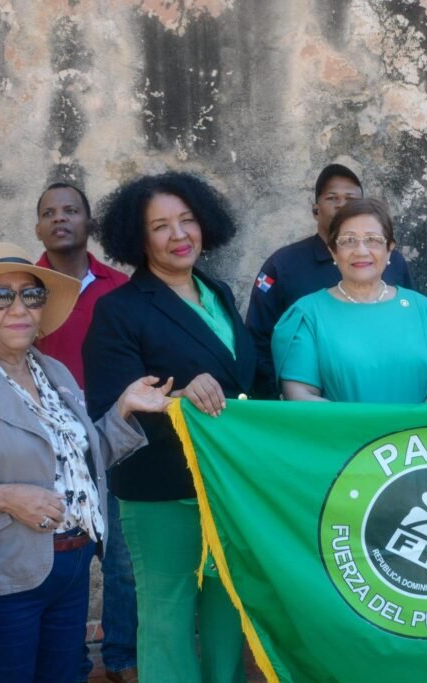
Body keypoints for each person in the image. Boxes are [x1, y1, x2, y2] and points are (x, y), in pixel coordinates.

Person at [0, 242, 173, 683]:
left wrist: (124, 410)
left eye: (30, 295)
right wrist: (1, 498)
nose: (19, 308)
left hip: (71, 567)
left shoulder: (53, 372)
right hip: (0, 581)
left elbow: (79, 466)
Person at [82, 172, 254, 683]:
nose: (179, 235)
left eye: (187, 220)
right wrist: (181, 395)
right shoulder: (118, 309)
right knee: (167, 616)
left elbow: (242, 381)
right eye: (161, 226)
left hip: (225, 486)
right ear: (138, 239)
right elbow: (112, 404)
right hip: (161, 490)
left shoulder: (218, 291)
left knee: (227, 609)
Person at [32, 181, 138, 683]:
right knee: (62, 563)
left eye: (71, 210)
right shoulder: (25, 290)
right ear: (38, 227)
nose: (60, 219)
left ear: (88, 222)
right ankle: (66, 662)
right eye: (49, 212)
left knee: (120, 560)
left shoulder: (119, 288)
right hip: (47, 447)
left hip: (113, 436)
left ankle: (119, 657)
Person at [247, 163, 414, 397]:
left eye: (351, 198)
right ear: (316, 209)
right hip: (308, 406)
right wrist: (276, 400)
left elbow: (409, 325)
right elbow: (259, 337)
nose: (342, 205)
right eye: (332, 198)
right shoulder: (283, 264)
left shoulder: (391, 260)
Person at [272, 197, 427, 403]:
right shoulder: (307, 316)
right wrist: (368, 432)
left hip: (416, 434)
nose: (361, 251)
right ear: (333, 250)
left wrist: (405, 430)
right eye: (348, 240)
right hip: (341, 434)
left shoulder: (425, 311)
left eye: (373, 240)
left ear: (389, 249)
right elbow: (300, 394)